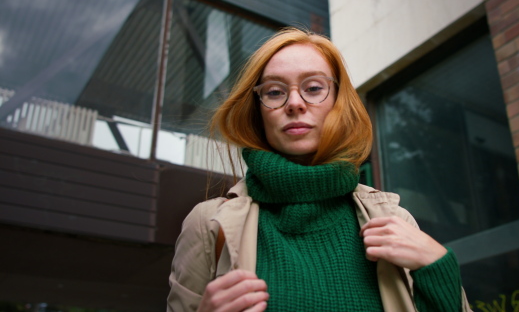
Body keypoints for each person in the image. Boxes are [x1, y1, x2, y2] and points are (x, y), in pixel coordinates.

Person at [167, 27, 471, 312]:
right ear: (258, 112)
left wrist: (439, 269)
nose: (295, 103)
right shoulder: (209, 224)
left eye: (313, 88)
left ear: (340, 103)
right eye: (274, 92)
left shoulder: (394, 220)